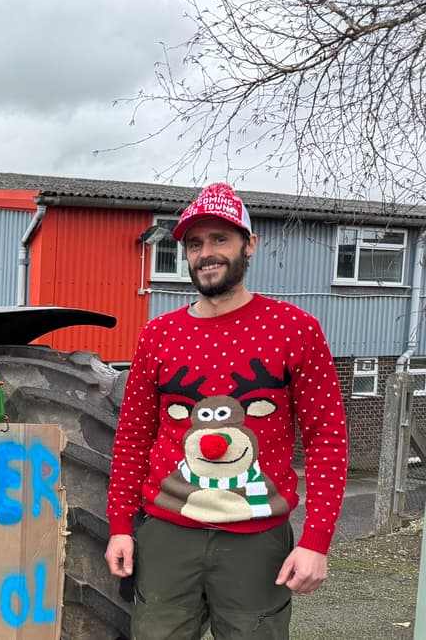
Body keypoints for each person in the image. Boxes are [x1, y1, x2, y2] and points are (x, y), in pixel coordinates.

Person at [104, 182, 349, 639]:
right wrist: (120, 525)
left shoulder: (295, 329)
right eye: (195, 243)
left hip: (256, 541)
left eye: (220, 239)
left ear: (249, 244)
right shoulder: (159, 335)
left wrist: (316, 540)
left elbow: (327, 438)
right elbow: (133, 436)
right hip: (165, 536)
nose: (206, 253)